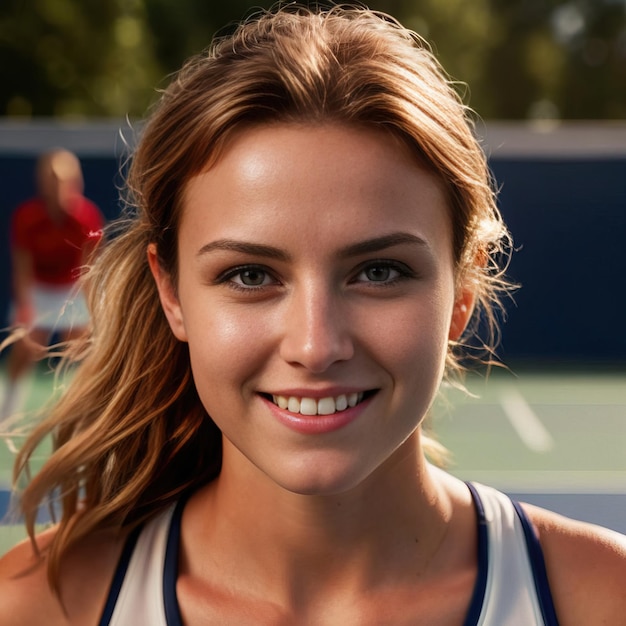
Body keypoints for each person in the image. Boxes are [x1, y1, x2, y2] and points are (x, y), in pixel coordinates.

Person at [1, 5, 625, 625]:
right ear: (172, 294)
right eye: (250, 276)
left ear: (462, 290)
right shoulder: (33, 606)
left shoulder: (603, 600)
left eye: (379, 272)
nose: (315, 344)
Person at [0, 149, 104, 426]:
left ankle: (85, 413)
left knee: (84, 351)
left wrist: (90, 309)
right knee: (23, 347)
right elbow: (22, 267)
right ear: (43, 182)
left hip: (72, 289)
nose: (59, 186)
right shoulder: (26, 217)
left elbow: (89, 268)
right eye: (52, 179)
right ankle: (7, 408)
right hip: (38, 288)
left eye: (65, 179)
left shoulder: (88, 217)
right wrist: (25, 307)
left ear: (75, 181)